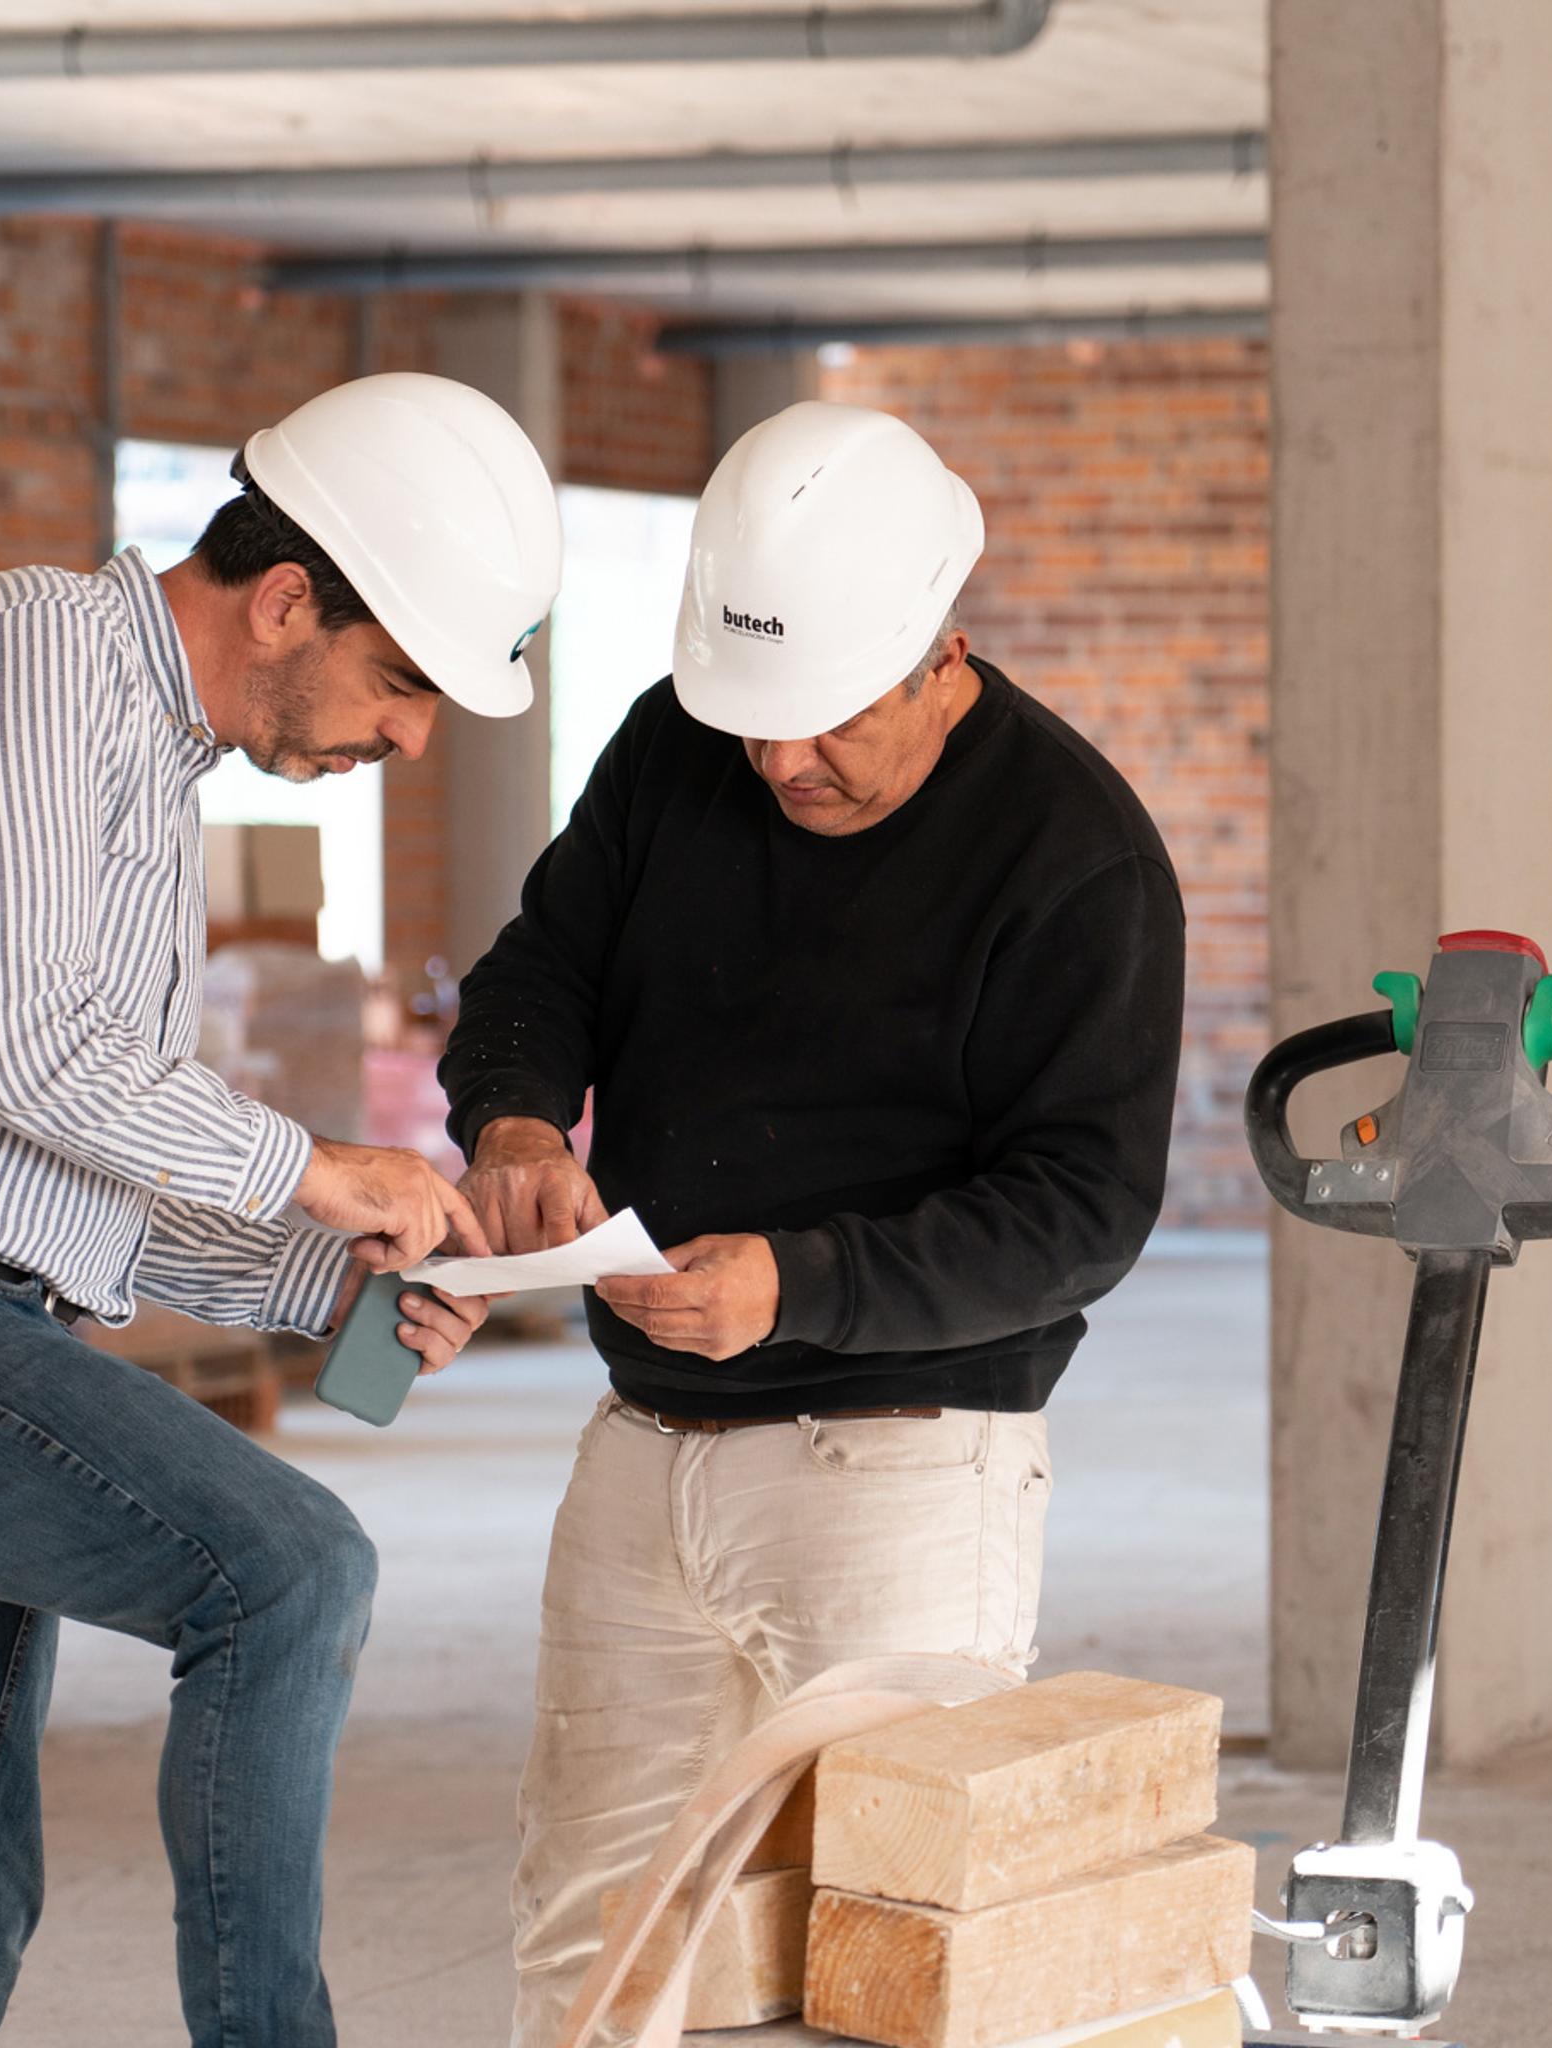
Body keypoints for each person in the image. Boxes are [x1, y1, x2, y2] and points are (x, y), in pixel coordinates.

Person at [0, 372, 557, 2048]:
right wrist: (324, 1165)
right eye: (403, 681)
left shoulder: (146, 771)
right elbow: (18, 1045)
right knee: (285, 1575)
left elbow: (81, 1174)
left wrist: (338, 1275)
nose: (413, 739)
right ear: (286, 600)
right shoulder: (26, 655)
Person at [436, 401, 1187, 2044]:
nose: (783, 763)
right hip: (647, 1442)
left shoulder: (1077, 858)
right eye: (753, 718)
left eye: (831, 719)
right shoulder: (676, 744)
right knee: (594, 1931)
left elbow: (1082, 1211)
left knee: (902, 1951)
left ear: (943, 655)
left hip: (904, 1468)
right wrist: (511, 1122)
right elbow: (538, 975)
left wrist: (802, 1283)